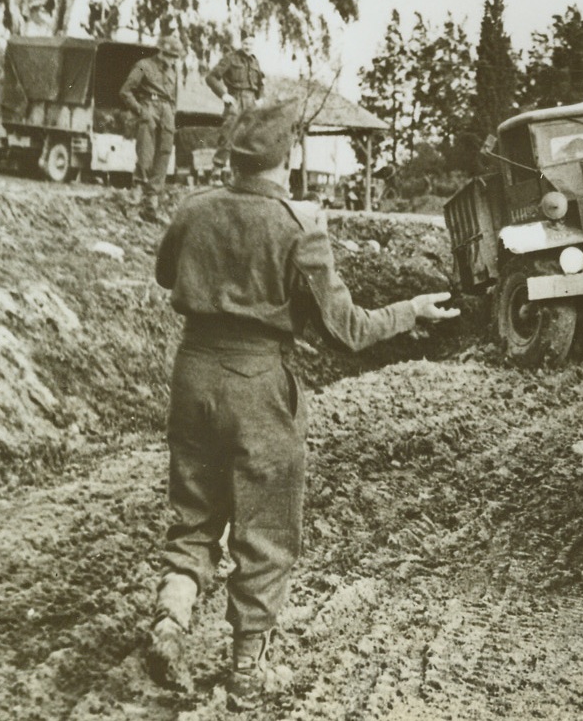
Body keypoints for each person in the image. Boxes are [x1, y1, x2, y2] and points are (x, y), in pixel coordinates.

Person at [146, 103, 459, 712]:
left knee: (194, 512)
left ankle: (171, 618)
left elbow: (166, 276)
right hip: (258, 385)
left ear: (234, 156)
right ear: (287, 159)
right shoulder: (298, 229)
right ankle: (245, 671)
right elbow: (347, 330)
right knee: (264, 526)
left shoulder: (194, 209)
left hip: (193, 375)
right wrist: (413, 309)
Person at [121, 35, 183, 223]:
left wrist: (171, 113)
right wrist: (141, 111)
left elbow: (174, 97)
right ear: (161, 52)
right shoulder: (144, 65)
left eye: (175, 57)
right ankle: (133, 204)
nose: (172, 60)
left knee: (163, 157)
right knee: (145, 156)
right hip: (149, 108)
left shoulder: (173, 71)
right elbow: (125, 91)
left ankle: (151, 208)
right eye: (170, 55)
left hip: (167, 114)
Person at [206, 30, 265, 181]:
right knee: (229, 133)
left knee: (248, 137)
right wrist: (223, 95)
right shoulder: (231, 58)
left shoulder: (255, 61)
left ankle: (238, 175)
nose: (248, 47)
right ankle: (216, 170)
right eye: (245, 43)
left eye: (251, 44)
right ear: (241, 43)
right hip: (236, 99)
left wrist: (260, 98)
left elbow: (261, 83)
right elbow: (211, 77)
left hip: (252, 102)